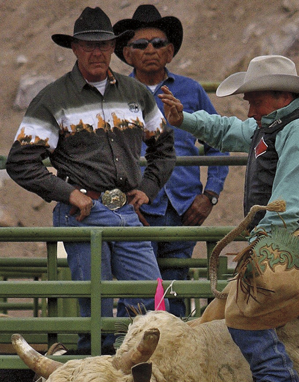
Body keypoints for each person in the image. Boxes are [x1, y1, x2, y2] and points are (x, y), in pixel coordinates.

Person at [160, 55, 299, 382]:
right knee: (209, 322)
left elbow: (286, 204)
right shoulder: (273, 128)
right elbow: (228, 130)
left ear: (281, 96)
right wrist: (184, 119)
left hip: (298, 241)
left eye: (254, 100)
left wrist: (257, 242)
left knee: (242, 316)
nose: (249, 109)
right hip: (280, 236)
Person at [5, 6, 175, 353]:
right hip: (82, 210)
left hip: (126, 208)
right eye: (88, 46)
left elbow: (164, 148)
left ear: (114, 48)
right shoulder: (53, 98)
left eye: (104, 45)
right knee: (94, 311)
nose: (96, 53)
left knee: (155, 304)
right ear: (75, 49)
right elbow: (20, 161)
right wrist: (69, 194)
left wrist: (147, 188)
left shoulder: (136, 93)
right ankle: (94, 371)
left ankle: (144, 370)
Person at [112, 4, 228, 319]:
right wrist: (122, 201)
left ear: (170, 51)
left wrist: (210, 195)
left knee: (175, 291)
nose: (150, 49)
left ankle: (174, 359)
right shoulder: (113, 94)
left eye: (158, 43)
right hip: (135, 212)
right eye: (140, 44)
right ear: (127, 53)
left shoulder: (191, 91)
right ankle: (132, 359)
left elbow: (218, 143)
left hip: (183, 211)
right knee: (138, 292)